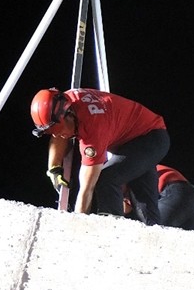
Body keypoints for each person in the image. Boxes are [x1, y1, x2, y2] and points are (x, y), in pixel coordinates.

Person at [30, 87, 169, 223]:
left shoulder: (92, 128)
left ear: (70, 114)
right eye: (52, 132)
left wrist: (78, 225)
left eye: (59, 131)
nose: (58, 135)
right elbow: (58, 133)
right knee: (147, 211)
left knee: (106, 178)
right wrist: (54, 167)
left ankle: (109, 230)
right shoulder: (66, 100)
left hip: (151, 138)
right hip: (135, 139)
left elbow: (86, 188)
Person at [123, 164, 194, 230]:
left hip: (175, 193)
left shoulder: (127, 172)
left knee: (151, 235)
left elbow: (122, 206)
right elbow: (126, 208)